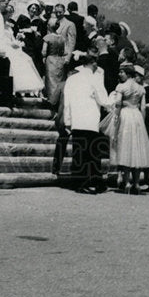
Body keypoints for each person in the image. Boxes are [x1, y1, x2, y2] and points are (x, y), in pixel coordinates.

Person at [63, 51, 112, 193]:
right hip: (90, 120)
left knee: (78, 152)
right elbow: (103, 100)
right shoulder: (94, 79)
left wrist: (68, 120)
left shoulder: (72, 79)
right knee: (92, 152)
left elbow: (67, 102)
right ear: (94, 63)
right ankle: (94, 181)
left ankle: (78, 182)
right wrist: (113, 100)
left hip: (77, 120)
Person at [109, 63, 149, 194]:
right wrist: (142, 121)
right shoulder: (141, 89)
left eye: (122, 72)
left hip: (126, 115)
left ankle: (127, 182)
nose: (119, 74)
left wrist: (116, 117)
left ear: (128, 74)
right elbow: (143, 107)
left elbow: (117, 104)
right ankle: (137, 183)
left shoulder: (121, 86)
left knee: (126, 147)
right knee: (137, 148)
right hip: (137, 116)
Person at [0, 5, 44, 98]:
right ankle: (11, 88)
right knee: (14, 61)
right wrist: (11, 44)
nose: (9, 15)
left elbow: (12, 37)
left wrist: (17, 40)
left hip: (11, 46)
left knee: (25, 59)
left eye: (10, 13)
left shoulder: (9, 26)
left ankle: (25, 89)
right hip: (4, 47)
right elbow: (0, 39)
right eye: (7, 13)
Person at [41, 15, 66, 109]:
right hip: (60, 60)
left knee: (51, 80)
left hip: (51, 59)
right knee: (59, 80)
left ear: (48, 26)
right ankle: (58, 100)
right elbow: (64, 51)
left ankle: (51, 101)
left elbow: (44, 51)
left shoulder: (47, 37)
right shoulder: (62, 38)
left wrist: (43, 57)